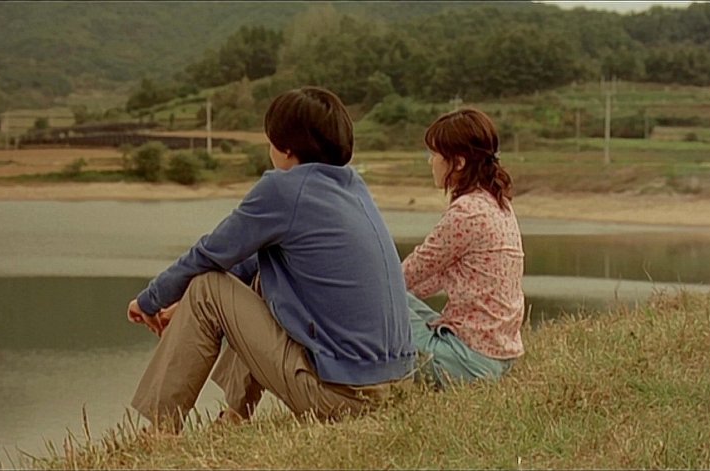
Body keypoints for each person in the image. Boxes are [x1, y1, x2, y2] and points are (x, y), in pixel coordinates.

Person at [126, 86, 416, 432]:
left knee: (206, 287)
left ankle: (160, 430)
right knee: (261, 278)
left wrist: (150, 300)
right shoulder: (352, 187)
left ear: (286, 147)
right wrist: (182, 304)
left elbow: (209, 254)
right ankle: (235, 416)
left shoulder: (284, 189)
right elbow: (249, 261)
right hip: (396, 390)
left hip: (343, 399)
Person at [403, 108, 525, 387]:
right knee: (398, 301)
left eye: (434, 155)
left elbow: (409, 272)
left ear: (458, 162)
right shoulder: (498, 204)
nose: (430, 162)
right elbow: (435, 277)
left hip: (468, 363)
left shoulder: (466, 213)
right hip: (499, 357)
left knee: (376, 306)